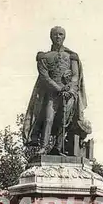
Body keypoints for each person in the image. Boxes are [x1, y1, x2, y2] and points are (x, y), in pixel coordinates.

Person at [23, 26, 91, 156]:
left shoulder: (71, 56)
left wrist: (70, 90)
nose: (58, 37)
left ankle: (58, 148)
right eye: (55, 34)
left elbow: (76, 76)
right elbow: (44, 77)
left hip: (68, 94)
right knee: (48, 119)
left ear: (64, 37)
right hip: (52, 93)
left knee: (63, 120)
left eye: (60, 34)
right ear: (51, 36)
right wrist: (59, 89)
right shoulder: (44, 57)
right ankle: (43, 147)